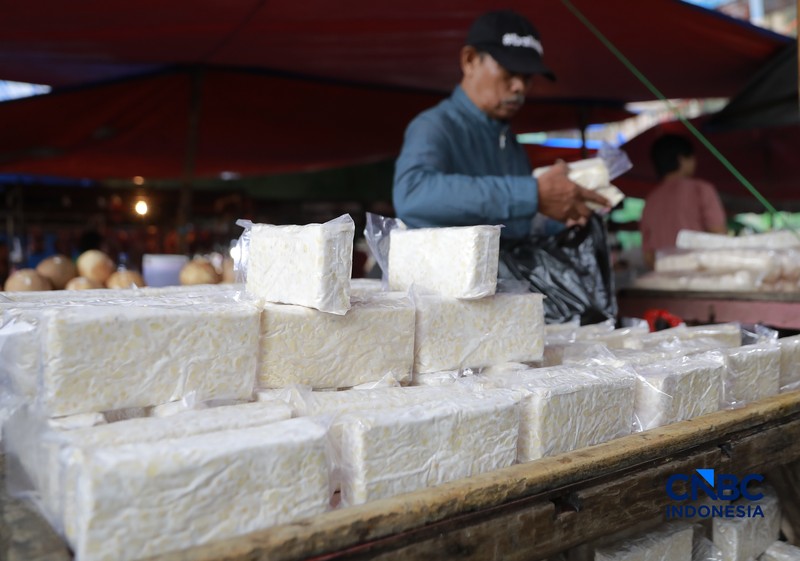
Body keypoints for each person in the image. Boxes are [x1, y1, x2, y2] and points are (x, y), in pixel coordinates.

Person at [392, 10, 608, 240]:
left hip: (501, 275)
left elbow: (514, 228)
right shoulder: (435, 126)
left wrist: (563, 215)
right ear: (470, 60)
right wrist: (532, 194)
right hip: (437, 275)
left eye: (527, 78)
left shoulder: (512, 144)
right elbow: (413, 195)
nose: (519, 87)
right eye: (510, 72)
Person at [639, 133, 727, 269]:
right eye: (691, 158)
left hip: (663, 281)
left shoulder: (650, 201)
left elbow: (648, 256)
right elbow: (719, 236)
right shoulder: (701, 189)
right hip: (700, 277)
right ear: (682, 160)